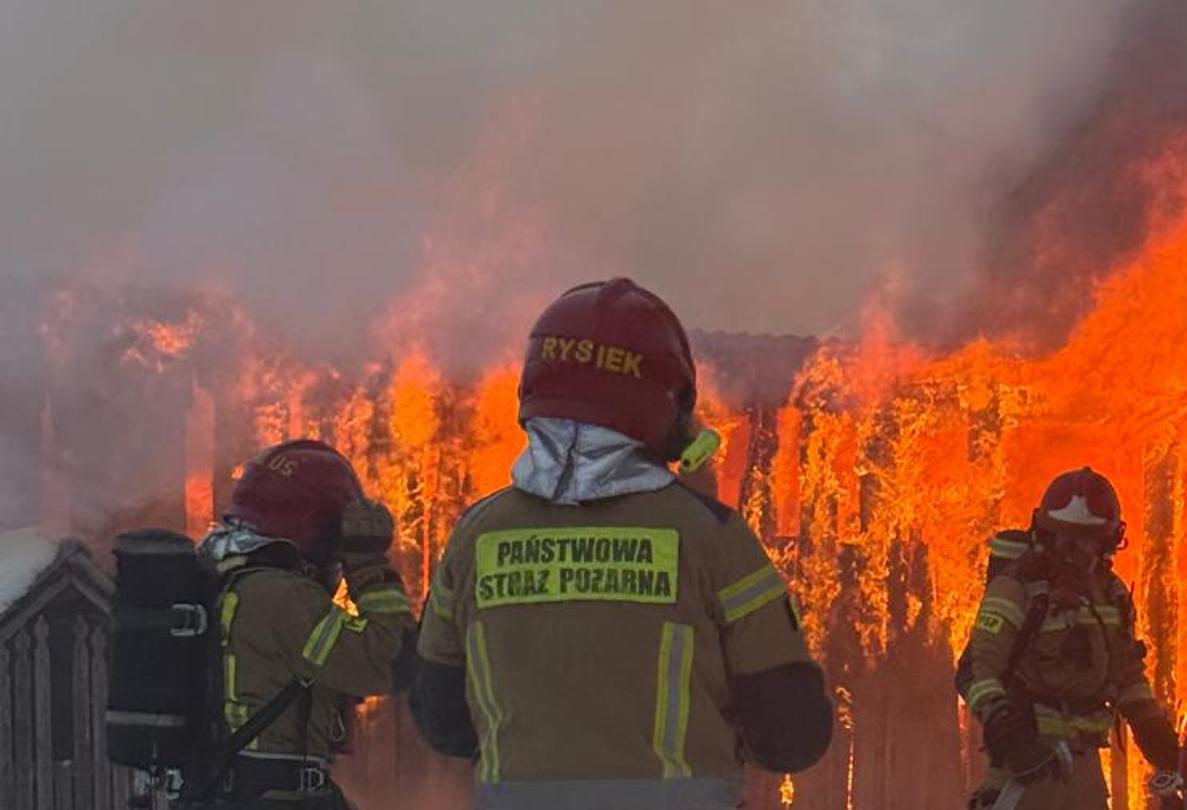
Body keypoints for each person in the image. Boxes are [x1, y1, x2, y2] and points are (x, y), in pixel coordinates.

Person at [410, 278, 833, 810]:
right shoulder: (710, 536)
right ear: (668, 402)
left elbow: (441, 717)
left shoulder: (477, 534)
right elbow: (791, 733)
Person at [190, 440, 414, 809]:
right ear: (318, 530)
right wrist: (369, 566)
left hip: (231, 792)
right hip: (277, 798)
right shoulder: (283, 597)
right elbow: (389, 661)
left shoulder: (222, 576)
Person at [956, 467, 1181, 809]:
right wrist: (1004, 726)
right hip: (1027, 767)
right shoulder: (1019, 587)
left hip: (1085, 766)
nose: (1076, 550)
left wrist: (1151, 727)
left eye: (1087, 538)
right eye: (1067, 538)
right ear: (1049, 535)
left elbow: (1126, 674)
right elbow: (978, 668)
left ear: (1106, 540)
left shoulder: (1111, 593)